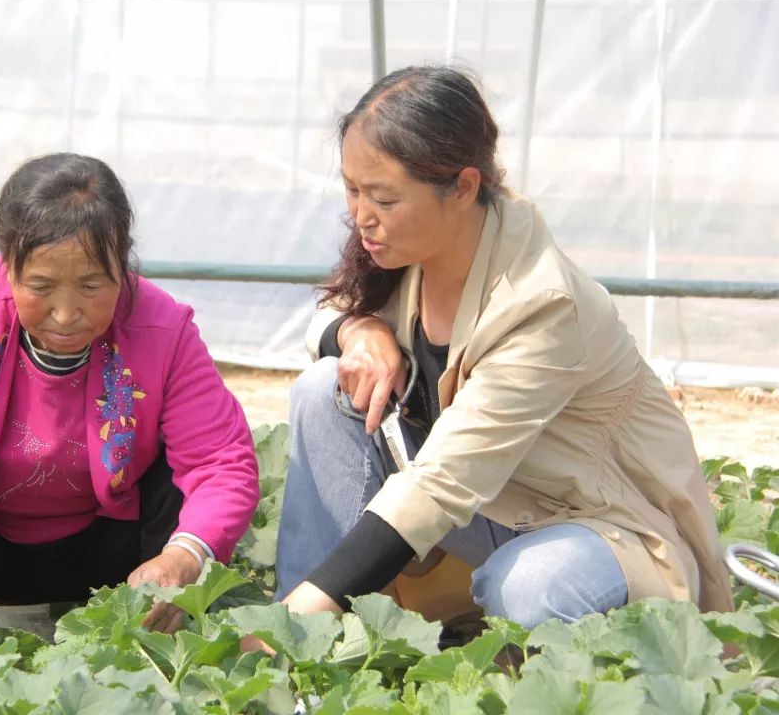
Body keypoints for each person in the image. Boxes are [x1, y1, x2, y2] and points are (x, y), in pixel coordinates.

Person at [273, 66, 733, 629]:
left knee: (527, 584)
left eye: (385, 198)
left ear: (463, 187)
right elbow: (327, 313)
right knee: (325, 389)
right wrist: (357, 332)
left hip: (600, 526)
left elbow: (446, 480)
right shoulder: (404, 246)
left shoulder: (542, 303)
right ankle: (299, 639)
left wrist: (321, 598)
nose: (362, 218)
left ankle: (308, 622)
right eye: (351, 189)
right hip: (495, 507)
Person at [0, 153, 260, 633]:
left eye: (92, 284)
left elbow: (221, 462)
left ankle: (152, 624)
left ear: (124, 263)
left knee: (182, 493)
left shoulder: (163, 328)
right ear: (7, 264)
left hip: (114, 564)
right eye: (41, 285)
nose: (66, 313)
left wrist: (182, 558)